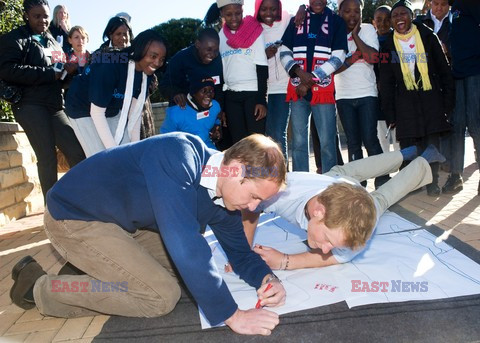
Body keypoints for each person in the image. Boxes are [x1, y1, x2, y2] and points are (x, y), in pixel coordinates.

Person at [10, 133, 287, 336]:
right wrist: (232, 314)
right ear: (236, 169)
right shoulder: (178, 154)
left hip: (118, 223)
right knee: (160, 296)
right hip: (73, 215)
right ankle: (41, 288)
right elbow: (185, 244)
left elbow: (239, 252)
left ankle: (92, 267)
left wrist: (268, 278)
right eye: (253, 197)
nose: (252, 208)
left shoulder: (224, 197)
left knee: (183, 272)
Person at [241, 145, 445, 269]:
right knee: (344, 171)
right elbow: (250, 207)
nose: (326, 250)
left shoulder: (358, 233)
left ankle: (423, 158)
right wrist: (242, 253)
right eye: (329, 241)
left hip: (346, 190)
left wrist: (286, 261)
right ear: (318, 212)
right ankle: (404, 153)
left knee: (381, 198)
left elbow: (335, 260)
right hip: (334, 181)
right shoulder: (284, 191)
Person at [0, 0, 85, 199]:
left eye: (45, 16)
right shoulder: (14, 39)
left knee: (77, 152)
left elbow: (59, 77)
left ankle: (82, 200)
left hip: (54, 105)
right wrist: (49, 74)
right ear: (26, 16)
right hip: (29, 105)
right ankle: (52, 211)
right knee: (47, 157)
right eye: (37, 16)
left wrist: (68, 73)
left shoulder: (53, 41)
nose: (43, 20)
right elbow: (7, 70)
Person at [379, 0, 454, 196]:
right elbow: (385, 82)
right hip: (404, 102)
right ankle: (413, 184)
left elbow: (444, 70)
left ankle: (433, 182)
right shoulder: (387, 46)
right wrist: (390, 114)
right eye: (395, 16)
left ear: (412, 16)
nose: (399, 19)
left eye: (403, 14)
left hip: (431, 99)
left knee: (431, 144)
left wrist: (447, 103)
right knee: (410, 147)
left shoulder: (429, 37)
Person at [65, 30, 167, 157]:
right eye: (153, 56)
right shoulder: (110, 65)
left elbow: (134, 114)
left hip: (112, 108)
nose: (157, 63)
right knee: (102, 158)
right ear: (140, 50)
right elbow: (96, 112)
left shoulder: (147, 75)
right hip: (82, 108)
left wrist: (136, 149)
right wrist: (113, 154)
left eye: (161, 59)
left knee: (127, 154)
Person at [279, 0, 348, 172]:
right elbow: (284, 51)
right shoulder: (297, 20)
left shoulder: (336, 21)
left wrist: (311, 79)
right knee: (299, 143)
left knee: (327, 142)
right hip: (298, 88)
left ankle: (330, 185)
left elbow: (339, 56)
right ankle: (302, 185)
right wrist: (300, 74)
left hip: (322, 90)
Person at [335, 0, 388, 189]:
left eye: (356, 11)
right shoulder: (334, 32)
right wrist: (355, 56)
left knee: (370, 138)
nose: (352, 15)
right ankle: (358, 182)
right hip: (343, 96)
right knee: (353, 142)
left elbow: (373, 58)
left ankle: (382, 178)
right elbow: (332, 68)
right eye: (347, 11)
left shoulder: (367, 29)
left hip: (367, 94)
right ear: (339, 11)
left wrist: (356, 36)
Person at [208, 0, 269, 144]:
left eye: (238, 13)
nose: (234, 18)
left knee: (256, 142)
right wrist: (221, 107)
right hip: (231, 97)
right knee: (239, 142)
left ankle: (258, 168)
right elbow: (221, 73)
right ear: (221, 14)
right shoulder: (220, 36)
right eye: (229, 14)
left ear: (243, 10)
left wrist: (261, 100)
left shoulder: (255, 31)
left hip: (253, 95)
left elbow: (262, 68)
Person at [254, 0, 306, 163]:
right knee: (266, 136)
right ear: (257, 9)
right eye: (264, 9)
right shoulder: (254, 28)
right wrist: (264, 54)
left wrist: (302, 8)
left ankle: (282, 175)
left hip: (283, 87)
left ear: (279, 8)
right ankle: (274, 173)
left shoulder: (286, 20)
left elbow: (303, 13)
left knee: (277, 133)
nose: (268, 13)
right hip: (260, 89)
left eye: (273, 9)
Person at [441, 0, 480, 195]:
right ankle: (455, 176)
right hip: (457, 73)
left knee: (476, 124)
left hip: (475, 72)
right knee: (456, 124)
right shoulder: (453, 8)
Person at [160, 77, 222, 149]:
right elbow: (165, 139)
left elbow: (217, 123)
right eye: (204, 91)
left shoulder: (215, 106)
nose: (208, 94)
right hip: (184, 149)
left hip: (207, 147)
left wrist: (216, 131)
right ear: (194, 93)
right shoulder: (176, 113)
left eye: (211, 91)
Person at [372, 5, 400, 153]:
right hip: (377, 95)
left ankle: (401, 167)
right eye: (379, 20)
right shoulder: (370, 41)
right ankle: (384, 171)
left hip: (395, 95)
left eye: (387, 19)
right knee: (381, 135)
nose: (383, 24)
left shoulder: (397, 39)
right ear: (373, 22)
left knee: (397, 137)